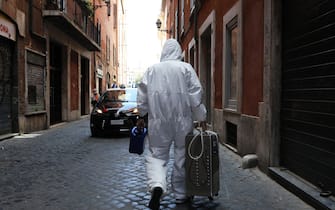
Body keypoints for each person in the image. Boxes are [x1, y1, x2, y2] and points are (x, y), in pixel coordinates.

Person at [137, 39, 207, 210]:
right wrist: (202, 117)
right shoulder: (186, 69)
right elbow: (196, 96)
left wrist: (141, 115)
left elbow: (142, 98)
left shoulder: (151, 70)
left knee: (157, 155)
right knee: (182, 156)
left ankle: (157, 185)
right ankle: (181, 195)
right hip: (183, 120)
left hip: (158, 122)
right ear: (178, 52)